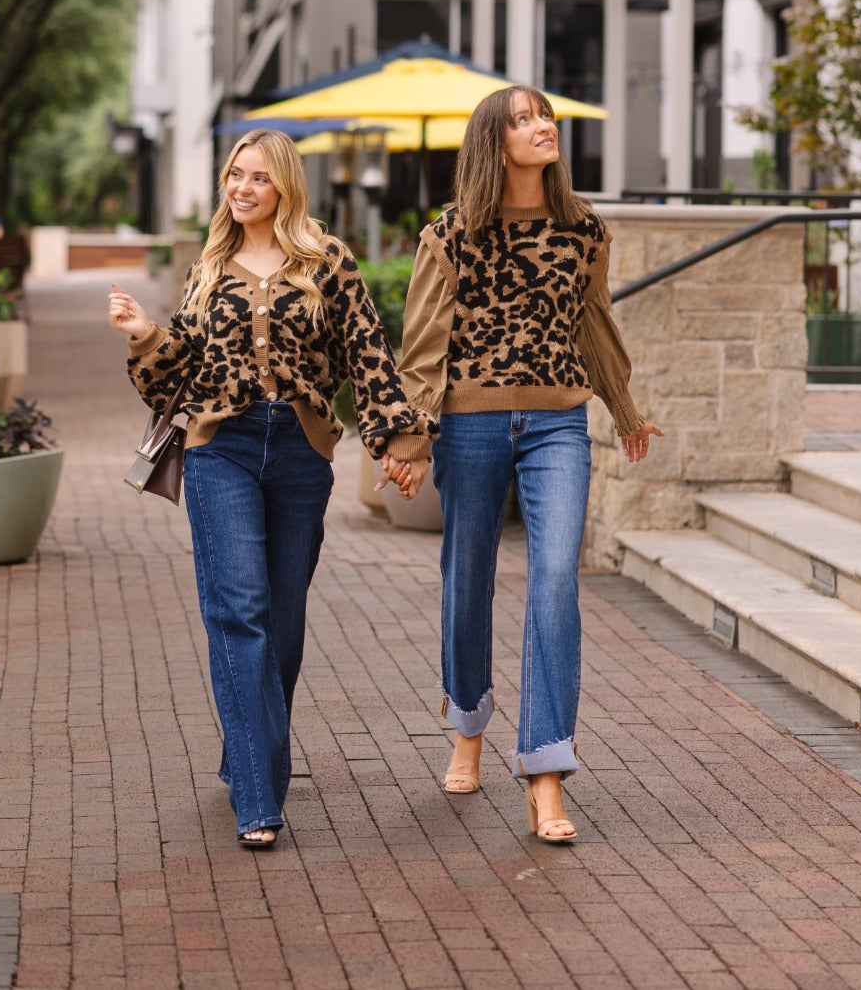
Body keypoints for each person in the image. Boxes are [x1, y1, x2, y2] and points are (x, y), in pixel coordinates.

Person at [108, 130, 434, 849]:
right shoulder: (211, 266)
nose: (241, 187)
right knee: (240, 609)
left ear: (284, 185)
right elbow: (178, 374)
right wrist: (143, 335)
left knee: (282, 620)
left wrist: (399, 441)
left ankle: (245, 751)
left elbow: (369, 355)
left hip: (298, 450)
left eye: (257, 176)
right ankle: (258, 795)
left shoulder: (327, 260)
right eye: (234, 174)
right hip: (219, 447)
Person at [388, 86, 662, 844]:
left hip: (557, 422)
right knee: (466, 577)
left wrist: (625, 408)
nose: (542, 126)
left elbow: (595, 323)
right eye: (523, 119)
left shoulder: (582, 229)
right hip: (470, 422)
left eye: (546, 116)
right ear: (494, 140)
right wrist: (410, 441)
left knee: (554, 579)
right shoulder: (451, 233)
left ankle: (546, 770)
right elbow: (422, 348)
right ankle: (469, 720)